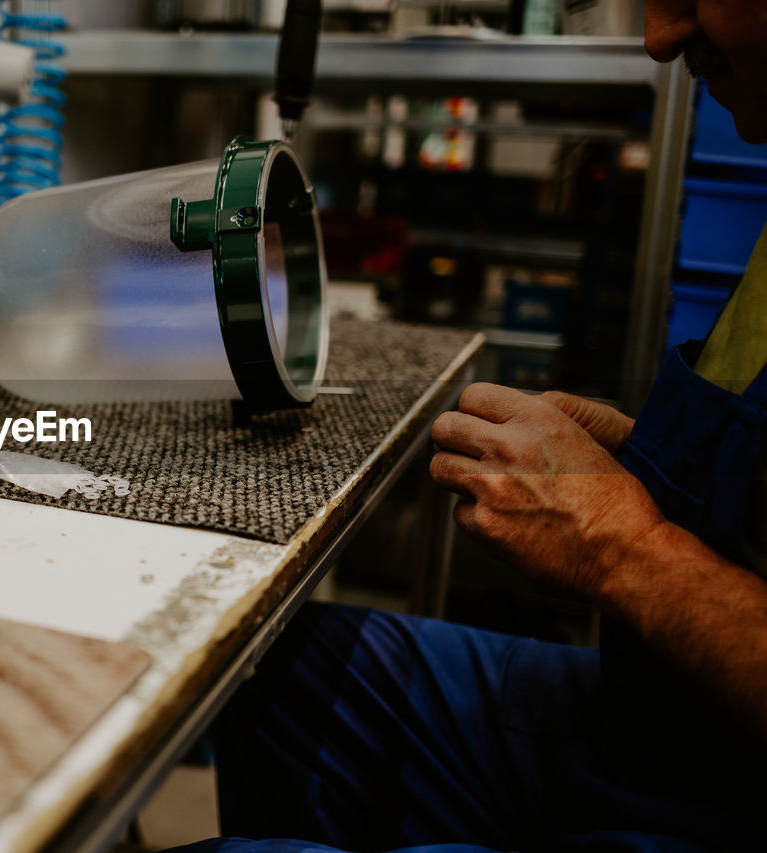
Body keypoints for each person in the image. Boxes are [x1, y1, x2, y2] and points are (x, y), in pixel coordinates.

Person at [170, 1, 767, 850]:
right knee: (279, 662)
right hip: (654, 722)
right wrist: (642, 456)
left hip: (723, 811)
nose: (659, 35)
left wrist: (620, 541)